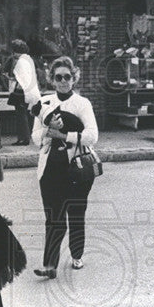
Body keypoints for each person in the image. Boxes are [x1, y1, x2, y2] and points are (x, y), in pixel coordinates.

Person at [31, 56, 99, 278]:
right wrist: (47, 131)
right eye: (58, 77)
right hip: (50, 167)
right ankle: (50, 265)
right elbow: (34, 136)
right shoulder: (45, 103)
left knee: (76, 213)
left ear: (74, 78)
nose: (62, 81)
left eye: (67, 77)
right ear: (52, 79)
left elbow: (92, 136)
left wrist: (64, 134)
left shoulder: (82, 104)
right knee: (53, 217)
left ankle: (77, 255)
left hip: (76, 168)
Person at [8, 39, 40, 145]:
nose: (12, 54)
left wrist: (10, 78)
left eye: (13, 51)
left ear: (16, 51)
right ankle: (24, 137)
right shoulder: (28, 59)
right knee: (23, 115)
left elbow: (20, 78)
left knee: (21, 116)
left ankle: (24, 138)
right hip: (28, 91)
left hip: (21, 91)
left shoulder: (21, 62)